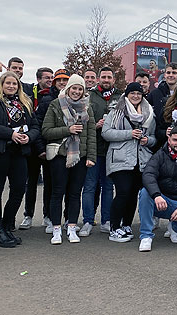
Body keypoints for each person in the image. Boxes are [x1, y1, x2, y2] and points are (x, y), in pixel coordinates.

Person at [0, 72, 40, 247]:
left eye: (15, 84)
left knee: (19, 189)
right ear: (1, 84)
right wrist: (10, 134)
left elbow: (35, 126)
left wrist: (29, 137)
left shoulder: (24, 103)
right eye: (8, 83)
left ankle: (6, 225)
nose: (11, 86)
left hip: (19, 152)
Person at [42, 74, 97, 244]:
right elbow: (46, 131)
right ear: (68, 89)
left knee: (74, 194)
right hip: (60, 155)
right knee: (57, 193)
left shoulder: (87, 107)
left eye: (80, 89)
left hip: (79, 157)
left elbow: (91, 134)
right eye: (74, 88)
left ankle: (72, 227)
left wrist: (91, 157)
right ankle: (56, 229)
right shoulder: (56, 105)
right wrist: (68, 129)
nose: (77, 91)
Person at [103, 82, 157, 242]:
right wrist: (129, 133)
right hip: (120, 159)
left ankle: (126, 224)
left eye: (138, 94)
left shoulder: (149, 113)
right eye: (132, 93)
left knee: (133, 194)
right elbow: (106, 133)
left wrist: (148, 140)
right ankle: (114, 227)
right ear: (126, 95)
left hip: (141, 160)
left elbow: (154, 137)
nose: (136, 96)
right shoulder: (116, 112)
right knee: (123, 192)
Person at [82, 67, 119, 235]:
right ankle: (88, 221)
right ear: (98, 78)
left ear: (113, 79)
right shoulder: (89, 96)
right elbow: (81, 119)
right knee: (89, 186)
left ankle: (106, 220)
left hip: (112, 149)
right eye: (103, 77)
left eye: (109, 77)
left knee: (108, 187)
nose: (106, 80)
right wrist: (94, 125)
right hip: (93, 147)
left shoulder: (120, 97)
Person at [32, 68, 69, 231]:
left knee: (69, 187)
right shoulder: (47, 100)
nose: (62, 83)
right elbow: (39, 125)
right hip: (51, 150)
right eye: (59, 80)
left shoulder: (77, 99)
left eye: (65, 80)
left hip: (71, 151)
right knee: (51, 186)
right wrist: (41, 148)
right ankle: (49, 217)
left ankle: (69, 218)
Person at [20, 67, 54, 230]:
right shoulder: (28, 92)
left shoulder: (53, 95)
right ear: (38, 79)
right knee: (31, 182)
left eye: (51, 77)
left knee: (49, 183)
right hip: (32, 145)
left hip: (49, 146)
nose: (50, 80)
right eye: (46, 77)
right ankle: (28, 215)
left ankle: (47, 215)